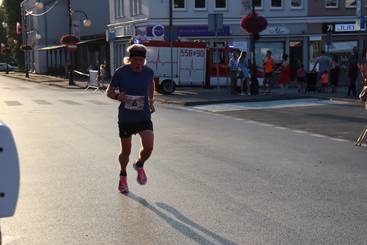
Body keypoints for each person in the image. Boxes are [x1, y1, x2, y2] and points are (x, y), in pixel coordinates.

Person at [106, 44, 155, 194]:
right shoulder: (121, 73)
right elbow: (109, 91)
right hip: (126, 117)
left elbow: (151, 85)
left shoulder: (148, 72)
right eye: (135, 59)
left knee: (149, 147)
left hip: (143, 115)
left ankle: (139, 164)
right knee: (126, 151)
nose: (138, 63)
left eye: (141, 60)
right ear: (130, 59)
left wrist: (151, 101)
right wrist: (117, 96)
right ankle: (123, 175)